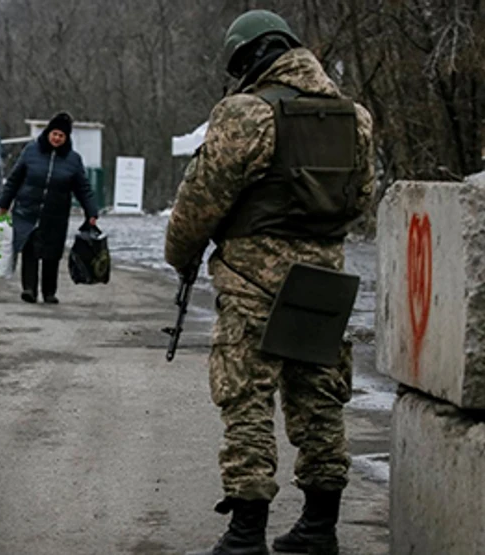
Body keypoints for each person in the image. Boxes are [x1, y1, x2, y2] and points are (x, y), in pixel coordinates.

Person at [164, 10, 375, 555]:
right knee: (319, 398)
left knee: (247, 400)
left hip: (252, 281)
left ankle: (245, 533)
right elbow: (362, 197)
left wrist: (181, 255)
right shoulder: (356, 116)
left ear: (250, 59)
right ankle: (319, 526)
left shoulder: (246, 113)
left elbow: (198, 204)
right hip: (324, 279)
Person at [0, 111, 99, 304]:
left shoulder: (73, 160)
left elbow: (83, 188)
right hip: (27, 210)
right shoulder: (31, 151)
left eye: (62, 135)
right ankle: (29, 289)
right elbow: (14, 179)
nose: (57, 138)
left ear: (66, 138)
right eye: (55, 134)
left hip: (56, 214)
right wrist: (3, 204)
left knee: (52, 253)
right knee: (30, 250)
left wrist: (91, 211)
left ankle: (49, 292)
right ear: (48, 133)